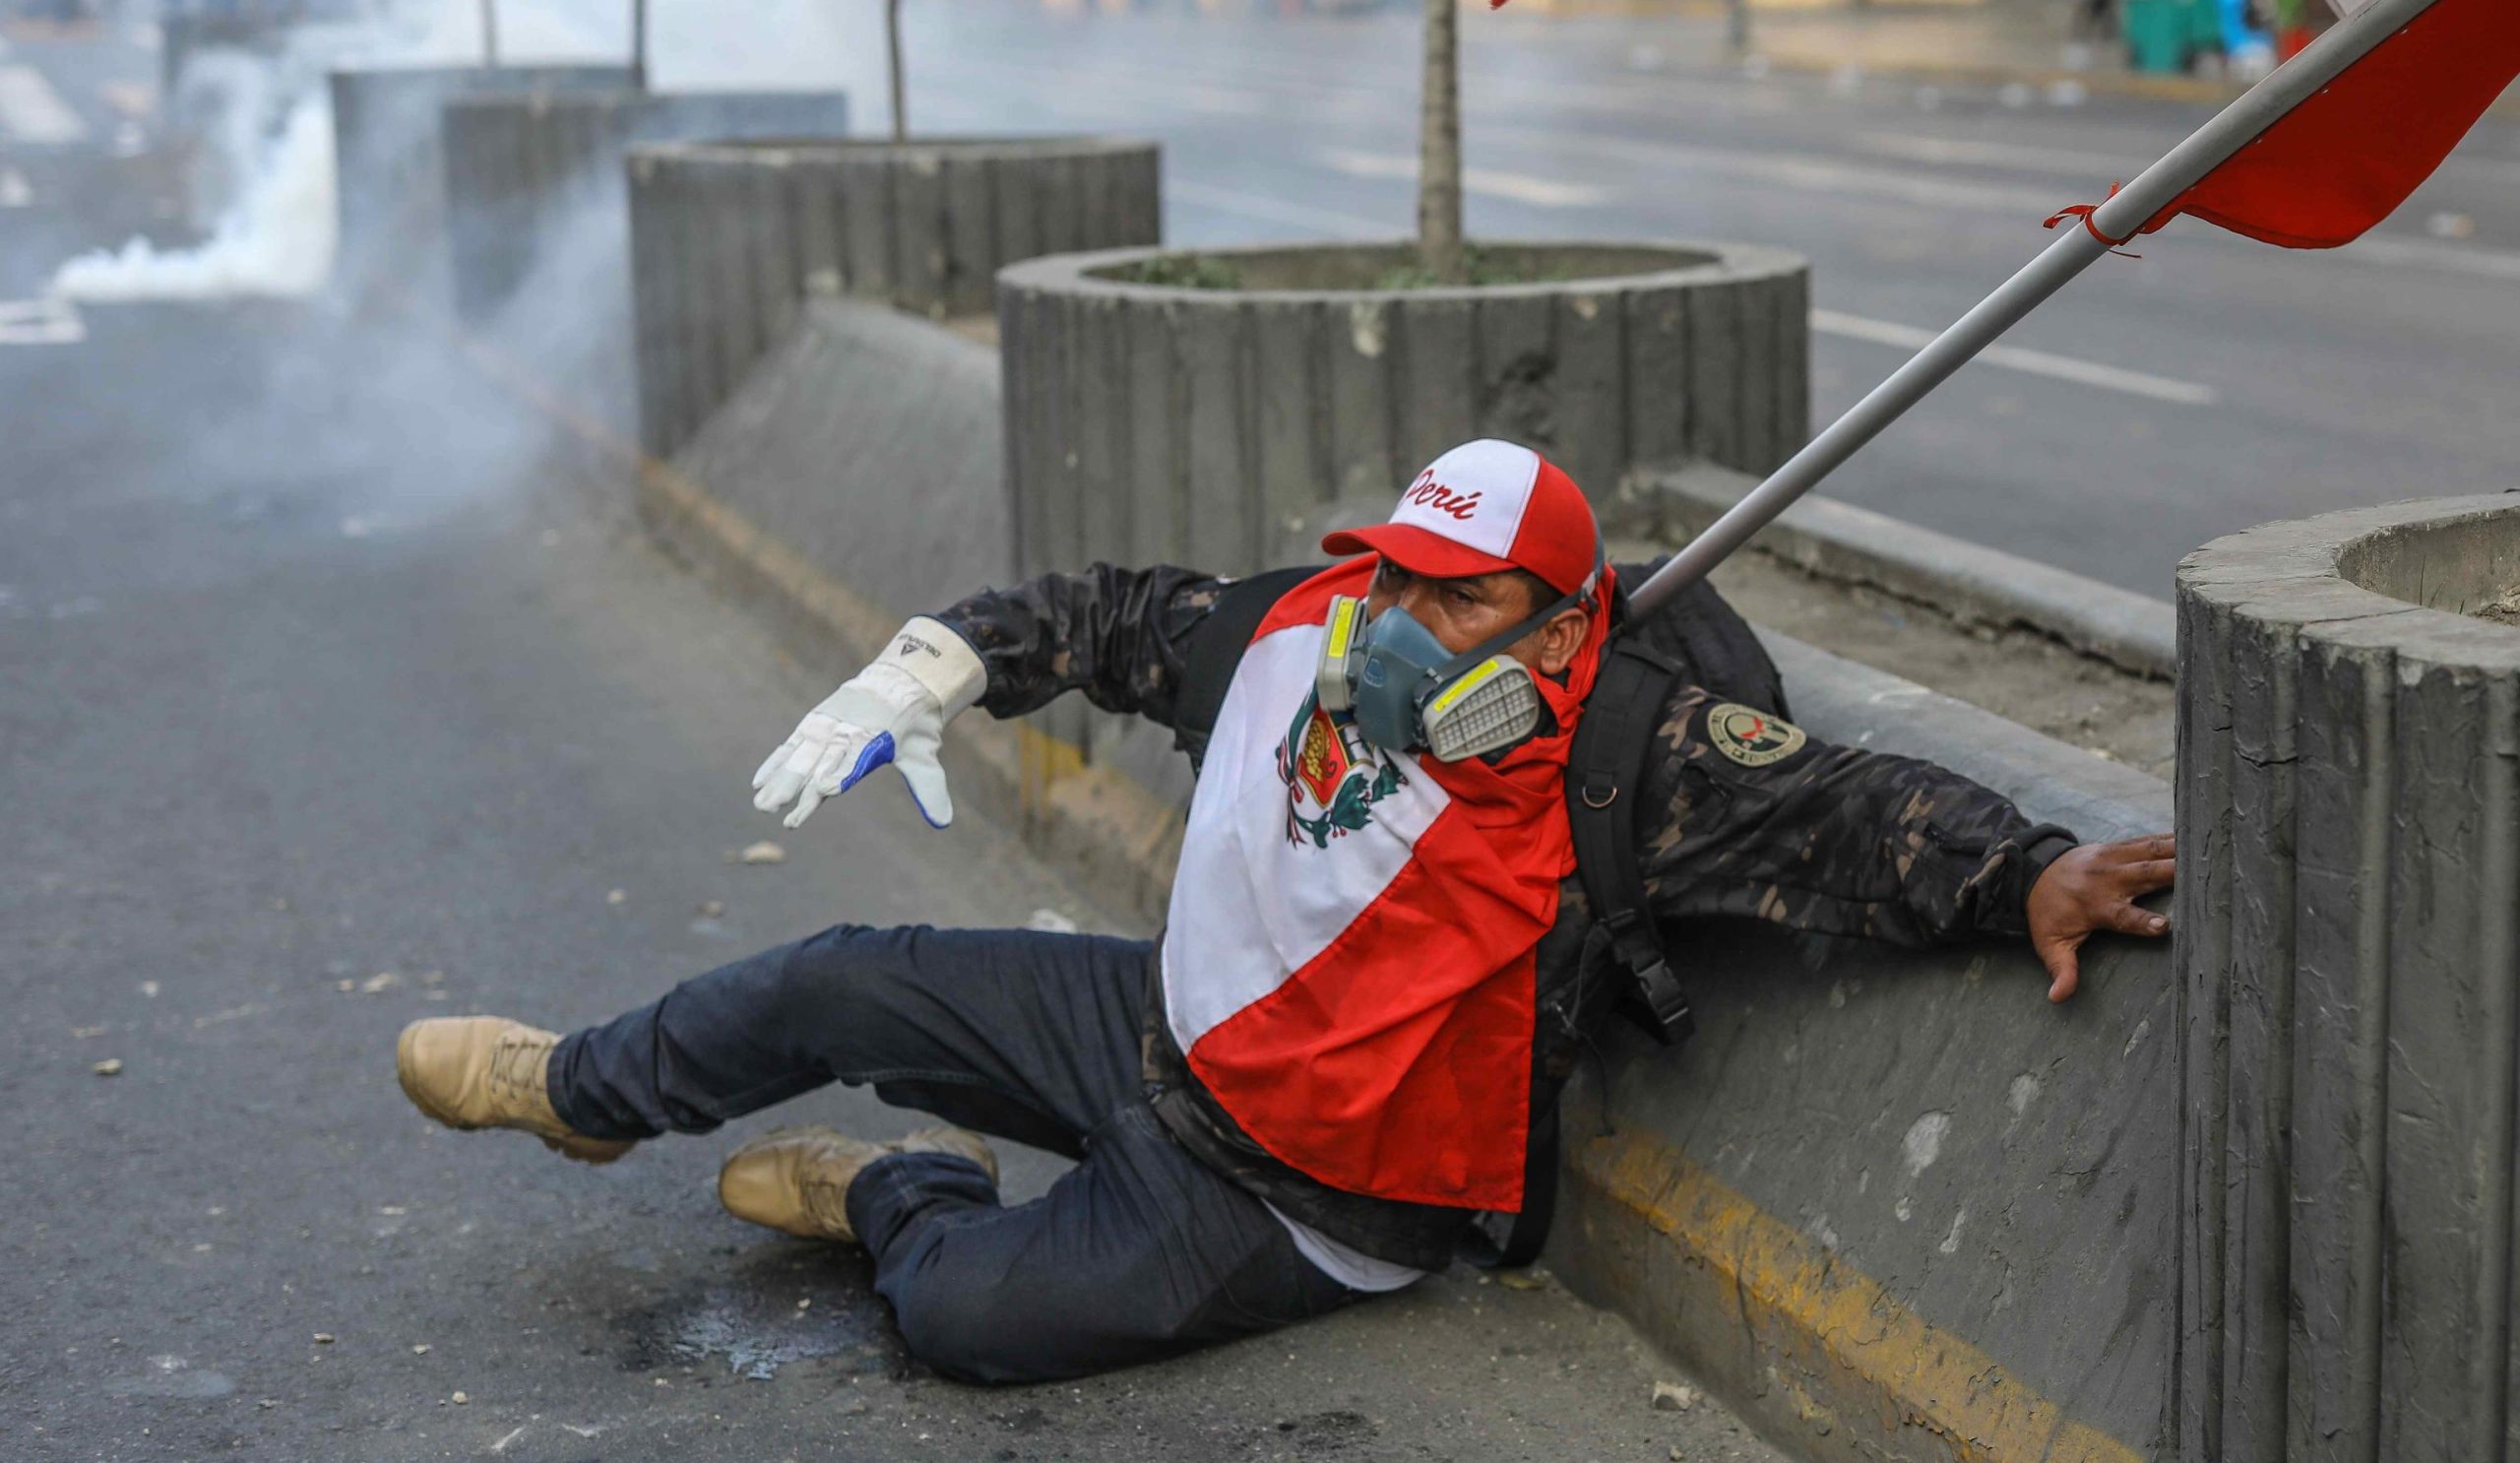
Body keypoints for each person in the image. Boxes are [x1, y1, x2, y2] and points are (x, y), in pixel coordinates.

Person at [396, 439, 2175, 1385]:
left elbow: (1859, 812)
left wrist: (2028, 869)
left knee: (971, 1326)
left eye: (1454, 601)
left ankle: (895, 1190)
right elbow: (1103, 616)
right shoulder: (1297, 625)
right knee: (839, 976)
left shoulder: (1634, 751)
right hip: (1155, 1030)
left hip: (1307, 1200)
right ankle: (584, 1090)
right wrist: (931, 667)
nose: (1395, 619)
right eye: (1391, 570)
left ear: (1560, 629)